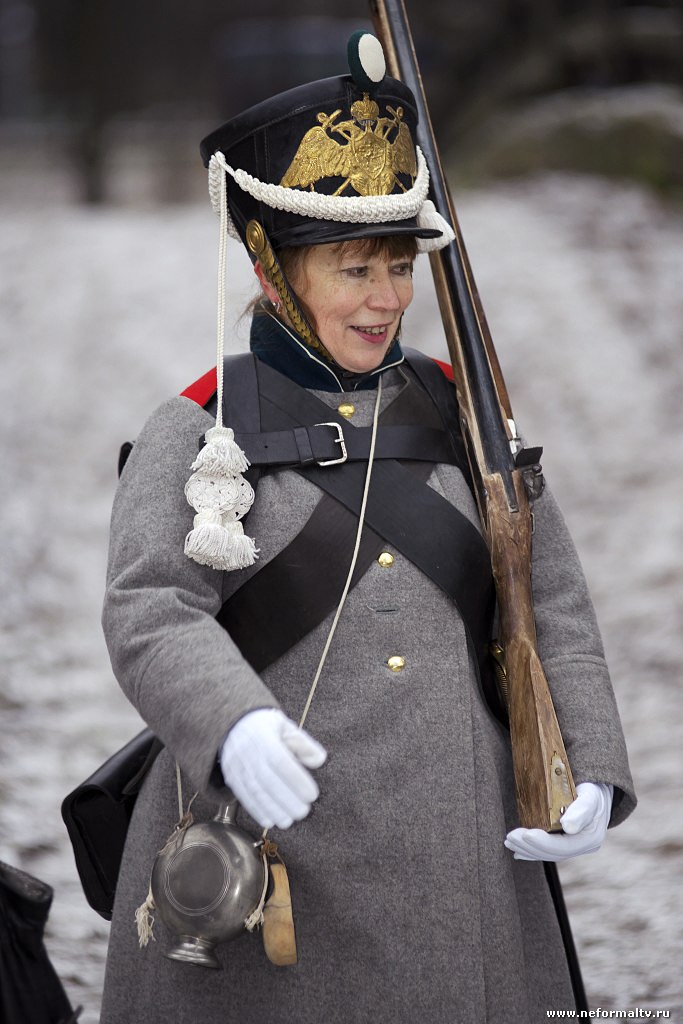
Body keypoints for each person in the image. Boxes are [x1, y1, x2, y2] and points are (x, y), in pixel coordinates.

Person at [99, 32, 636, 1024]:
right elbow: (152, 608)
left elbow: (550, 601)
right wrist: (229, 721)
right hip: (268, 847)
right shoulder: (200, 425)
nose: (387, 299)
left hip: (460, 855)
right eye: (354, 269)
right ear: (274, 268)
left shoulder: (464, 412)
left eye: (398, 266)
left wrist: (590, 763)